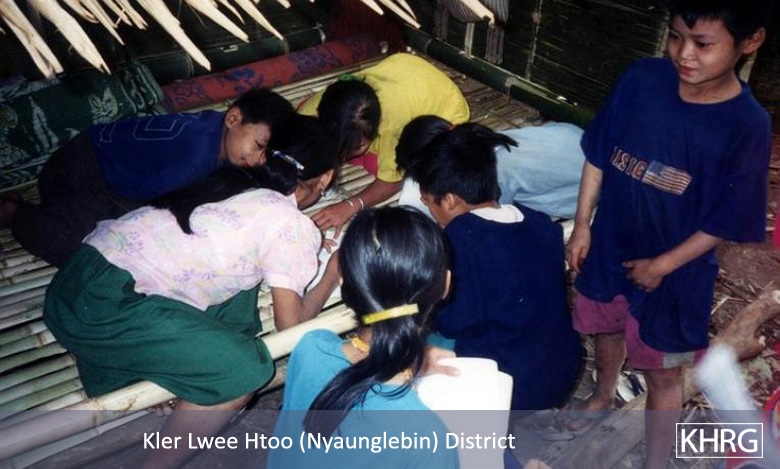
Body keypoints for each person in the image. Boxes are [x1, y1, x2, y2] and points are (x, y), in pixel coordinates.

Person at [43, 114, 341, 469]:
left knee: (239, 302)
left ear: (266, 155)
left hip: (76, 283)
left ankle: (169, 372)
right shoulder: (291, 224)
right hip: (106, 306)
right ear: (326, 178)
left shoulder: (230, 183)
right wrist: (332, 274)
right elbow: (291, 329)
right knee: (246, 373)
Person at [565, 1, 772, 466]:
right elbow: (599, 155)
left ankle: (657, 460)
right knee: (606, 329)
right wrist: (582, 225)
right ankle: (603, 394)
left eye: (703, 43)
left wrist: (663, 265)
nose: (684, 54)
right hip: (609, 246)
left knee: (664, 374)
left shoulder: (747, 125)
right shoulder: (642, 79)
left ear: (750, 41)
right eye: (676, 36)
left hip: (678, 279)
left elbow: (726, 219)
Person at [1, 88, 293, 266]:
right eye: (259, 146)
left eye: (268, 154)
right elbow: (161, 210)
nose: (259, 160)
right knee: (88, 252)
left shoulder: (214, 129)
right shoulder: (195, 156)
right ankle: (13, 213)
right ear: (233, 118)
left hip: (99, 166)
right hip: (81, 170)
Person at [268, 206, 459, 468]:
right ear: (445, 285)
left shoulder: (311, 347)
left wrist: (414, 362)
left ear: (343, 281)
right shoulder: (428, 438)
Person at [411, 124, 582, 412]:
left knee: (420, 344)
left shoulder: (459, 239)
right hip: (562, 371)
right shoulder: (540, 222)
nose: (430, 212)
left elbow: (452, 322)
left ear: (450, 200)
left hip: (514, 388)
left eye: (428, 204)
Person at [299, 53, 470, 234]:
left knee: (387, 168)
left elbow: (391, 180)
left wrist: (351, 205)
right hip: (402, 68)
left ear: (376, 128)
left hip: (442, 105)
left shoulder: (392, 125)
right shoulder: (316, 109)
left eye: (356, 147)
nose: (344, 156)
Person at [396, 115, 586, 219]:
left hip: (586, 186)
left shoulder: (492, 176)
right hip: (577, 138)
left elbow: (491, 219)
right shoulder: (481, 140)